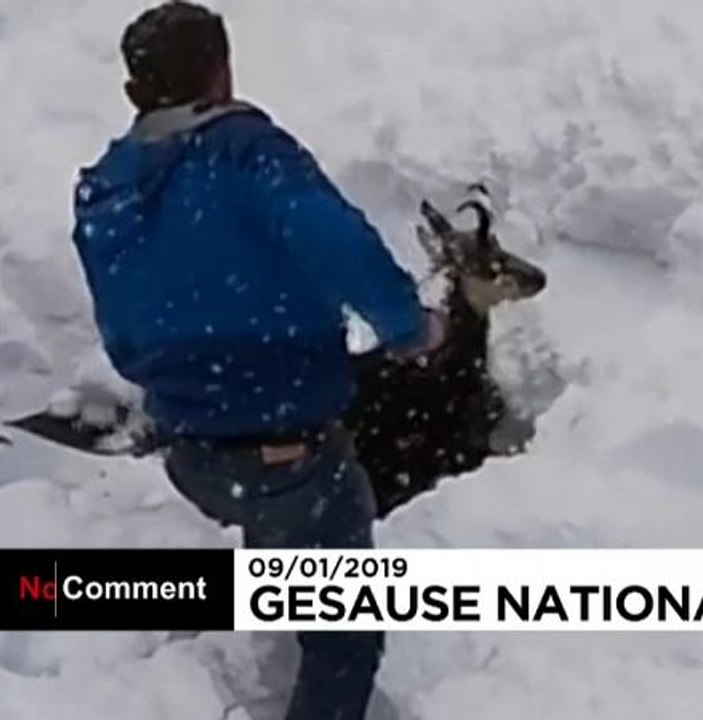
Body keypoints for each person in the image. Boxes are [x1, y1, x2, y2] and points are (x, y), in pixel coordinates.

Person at [71, 3, 443, 718]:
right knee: (345, 639)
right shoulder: (248, 151)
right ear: (222, 70)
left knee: (277, 525)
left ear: (132, 93)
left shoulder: (106, 188)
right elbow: (338, 241)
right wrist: (408, 329)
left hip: (191, 456)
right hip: (292, 462)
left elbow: (122, 337)